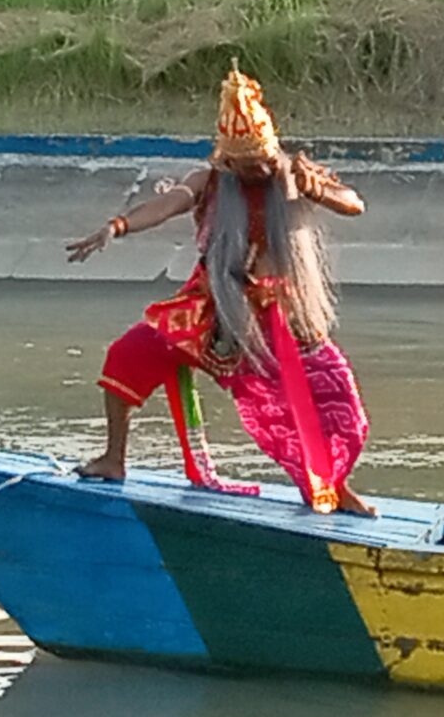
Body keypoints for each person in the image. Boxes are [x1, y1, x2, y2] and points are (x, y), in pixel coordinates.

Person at [65, 66, 376, 515]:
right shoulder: (210, 180)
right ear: (227, 162)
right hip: (208, 310)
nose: (256, 172)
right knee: (127, 355)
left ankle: (334, 486)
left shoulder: (289, 174)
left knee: (333, 394)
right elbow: (170, 204)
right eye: (246, 166)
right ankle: (114, 458)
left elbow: (354, 202)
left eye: (263, 164)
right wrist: (119, 225)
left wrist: (319, 191)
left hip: (280, 316)